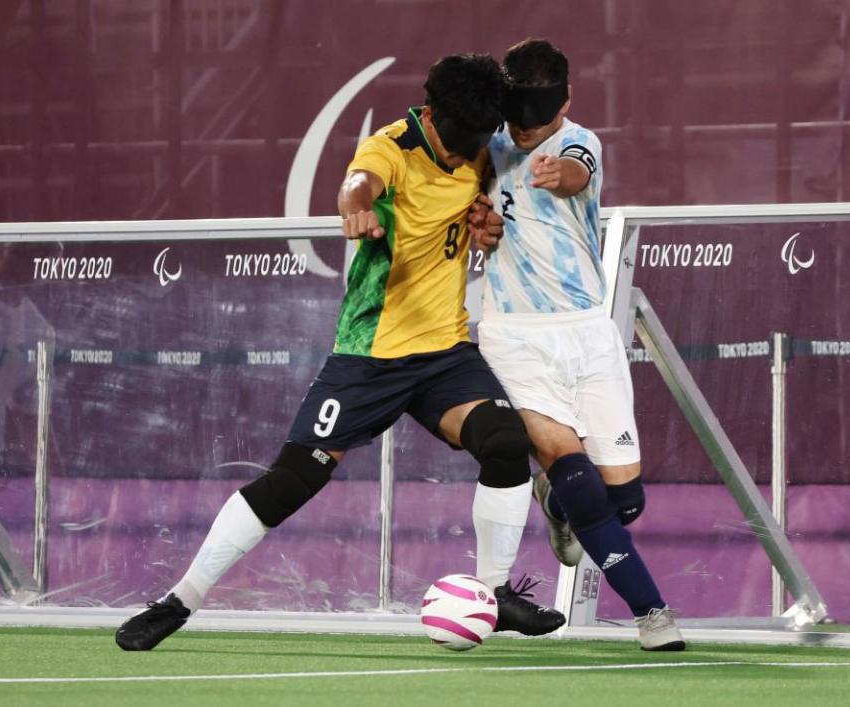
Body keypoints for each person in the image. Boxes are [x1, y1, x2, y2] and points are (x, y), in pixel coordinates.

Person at [115, 52, 564, 651]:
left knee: (505, 443)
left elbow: (483, 207)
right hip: (368, 357)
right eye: (455, 143)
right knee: (292, 480)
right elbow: (360, 183)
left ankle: (495, 593)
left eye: (473, 144)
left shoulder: (480, 143)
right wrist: (355, 207)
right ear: (429, 114)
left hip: (445, 354)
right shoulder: (390, 147)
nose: (462, 155)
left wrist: (485, 223)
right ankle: (179, 600)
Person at [474, 39, 685, 651]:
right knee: (579, 475)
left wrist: (558, 174)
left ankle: (556, 504)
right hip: (513, 335)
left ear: (566, 100)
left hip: (587, 332)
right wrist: (475, 220)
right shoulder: (487, 145)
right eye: (517, 114)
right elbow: (466, 203)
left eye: (536, 114)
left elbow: (575, 174)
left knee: (625, 498)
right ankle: (653, 616)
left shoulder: (581, 143)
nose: (524, 127)